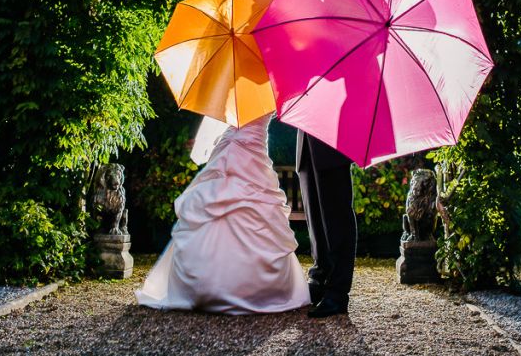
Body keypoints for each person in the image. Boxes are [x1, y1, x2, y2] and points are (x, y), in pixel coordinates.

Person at [135, 114, 310, 314]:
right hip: (240, 145)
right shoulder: (264, 95)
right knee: (231, 204)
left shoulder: (245, 96)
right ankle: (229, 286)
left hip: (246, 145)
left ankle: (221, 285)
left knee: (228, 203)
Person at [296, 130, 356, 318]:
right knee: (314, 216)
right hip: (306, 140)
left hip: (332, 139)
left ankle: (338, 292)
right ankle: (319, 278)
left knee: (337, 216)